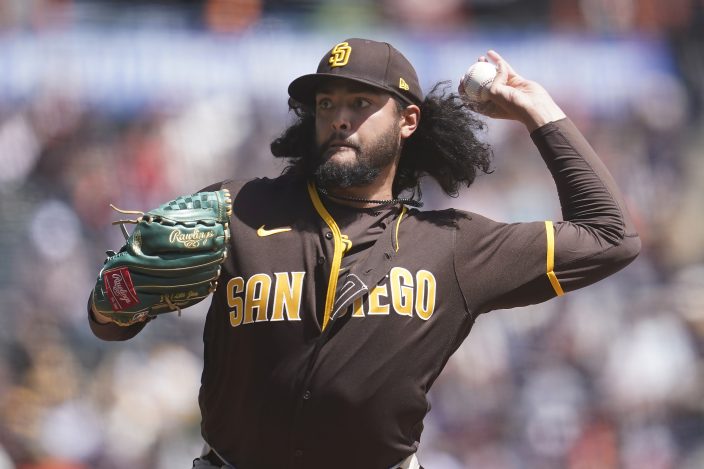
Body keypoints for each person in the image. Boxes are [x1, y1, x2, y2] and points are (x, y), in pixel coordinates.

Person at [88, 38, 640, 469]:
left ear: (408, 120)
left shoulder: (452, 246)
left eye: (361, 102)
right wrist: (114, 303)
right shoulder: (240, 208)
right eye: (326, 103)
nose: (339, 117)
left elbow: (610, 237)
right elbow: (111, 322)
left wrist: (538, 112)